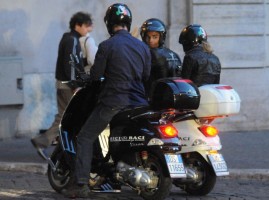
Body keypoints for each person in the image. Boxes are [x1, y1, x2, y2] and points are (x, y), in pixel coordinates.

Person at [62, 3, 151, 198]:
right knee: (117, 137)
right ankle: (113, 174)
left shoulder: (106, 46)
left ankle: (81, 184)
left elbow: (95, 76)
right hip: (139, 103)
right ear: (128, 22)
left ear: (110, 24)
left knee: (85, 137)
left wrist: (82, 77)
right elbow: (146, 75)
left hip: (113, 101)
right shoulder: (143, 47)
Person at [30, 12, 93, 159]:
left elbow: (74, 62)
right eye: (86, 26)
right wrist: (75, 84)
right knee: (64, 117)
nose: (89, 29)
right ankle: (43, 141)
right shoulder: (71, 40)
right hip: (67, 86)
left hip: (65, 84)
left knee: (66, 117)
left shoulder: (70, 39)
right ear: (78, 25)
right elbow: (69, 65)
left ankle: (61, 144)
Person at [140, 18, 182, 97]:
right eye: (148, 37)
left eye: (154, 37)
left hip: (154, 98)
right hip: (173, 96)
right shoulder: (174, 55)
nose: (150, 40)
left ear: (161, 37)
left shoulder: (147, 54)